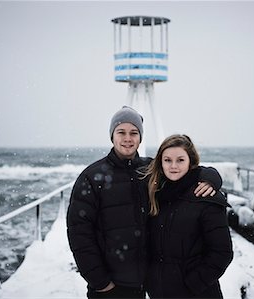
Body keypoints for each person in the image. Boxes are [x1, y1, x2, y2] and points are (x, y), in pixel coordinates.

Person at [66, 106, 219, 299]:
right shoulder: (91, 177)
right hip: (110, 287)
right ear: (112, 136)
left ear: (140, 137)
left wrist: (211, 177)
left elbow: (185, 170)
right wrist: (100, 281)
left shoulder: (150, 170)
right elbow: (79, 234)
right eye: (121, 132)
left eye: (134, 133)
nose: (127, 138)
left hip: (146, 285)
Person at [144, 134, 233, 299]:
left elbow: (222, 253)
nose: (173, 166)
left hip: (198, 294)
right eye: (167, 160)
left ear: (190, 161)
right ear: (160, 162)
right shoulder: (156, 195)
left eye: (180, 160)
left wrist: (192, 285)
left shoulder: (205, 197)